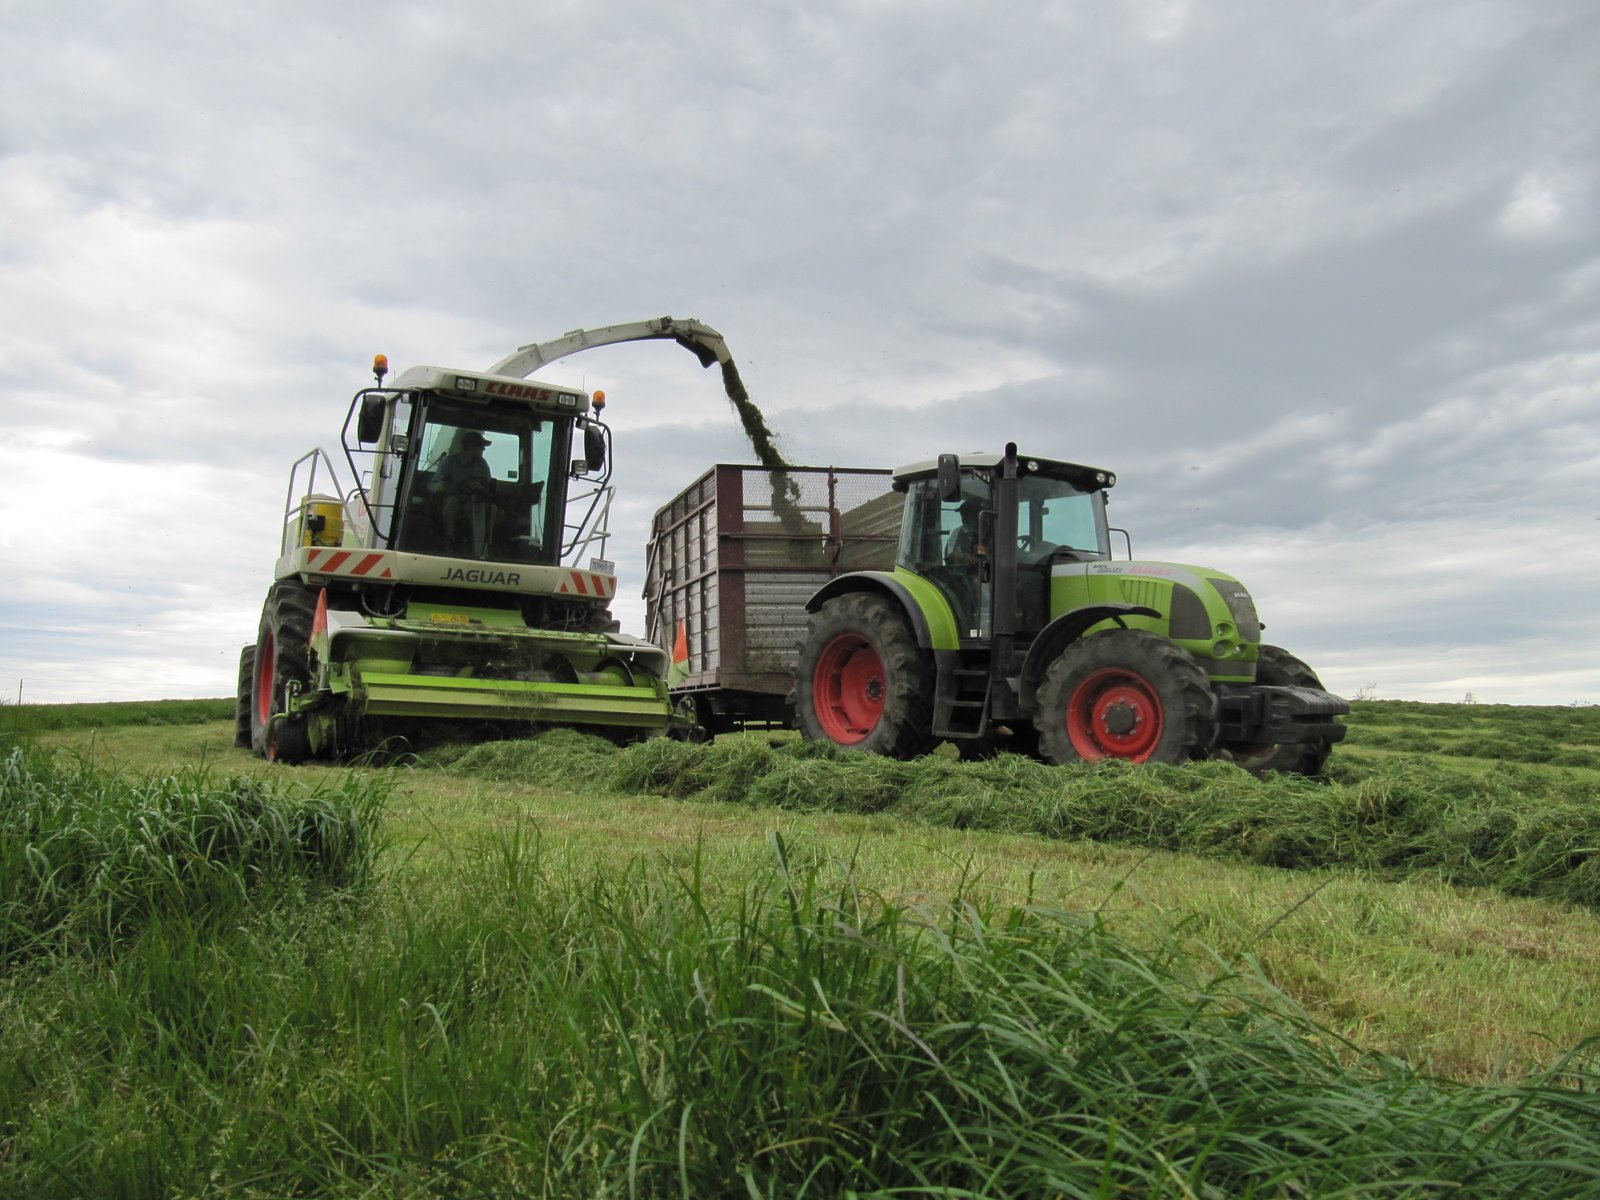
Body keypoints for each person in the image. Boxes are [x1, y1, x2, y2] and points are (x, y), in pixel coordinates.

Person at [432, 430, 495, 554]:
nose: (483, 450)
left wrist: (481, 487)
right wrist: (441, 486)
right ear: (470, 447)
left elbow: (487, 484)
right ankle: (450, 540)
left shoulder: (482, 464)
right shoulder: (449, 462)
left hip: (474, 500)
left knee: (492, 508)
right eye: (481, 447)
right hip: (453, 498)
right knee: (451, 503)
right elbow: (433, 485)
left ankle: (484, 545)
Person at [945, 497, 984, 567]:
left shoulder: (984, 532)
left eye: (966, 513)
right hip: (964, 573)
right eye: (962, 513)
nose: (963, 516)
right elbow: (950, 555)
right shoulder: (956, 533)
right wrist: (964, 556)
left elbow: (988, 552)